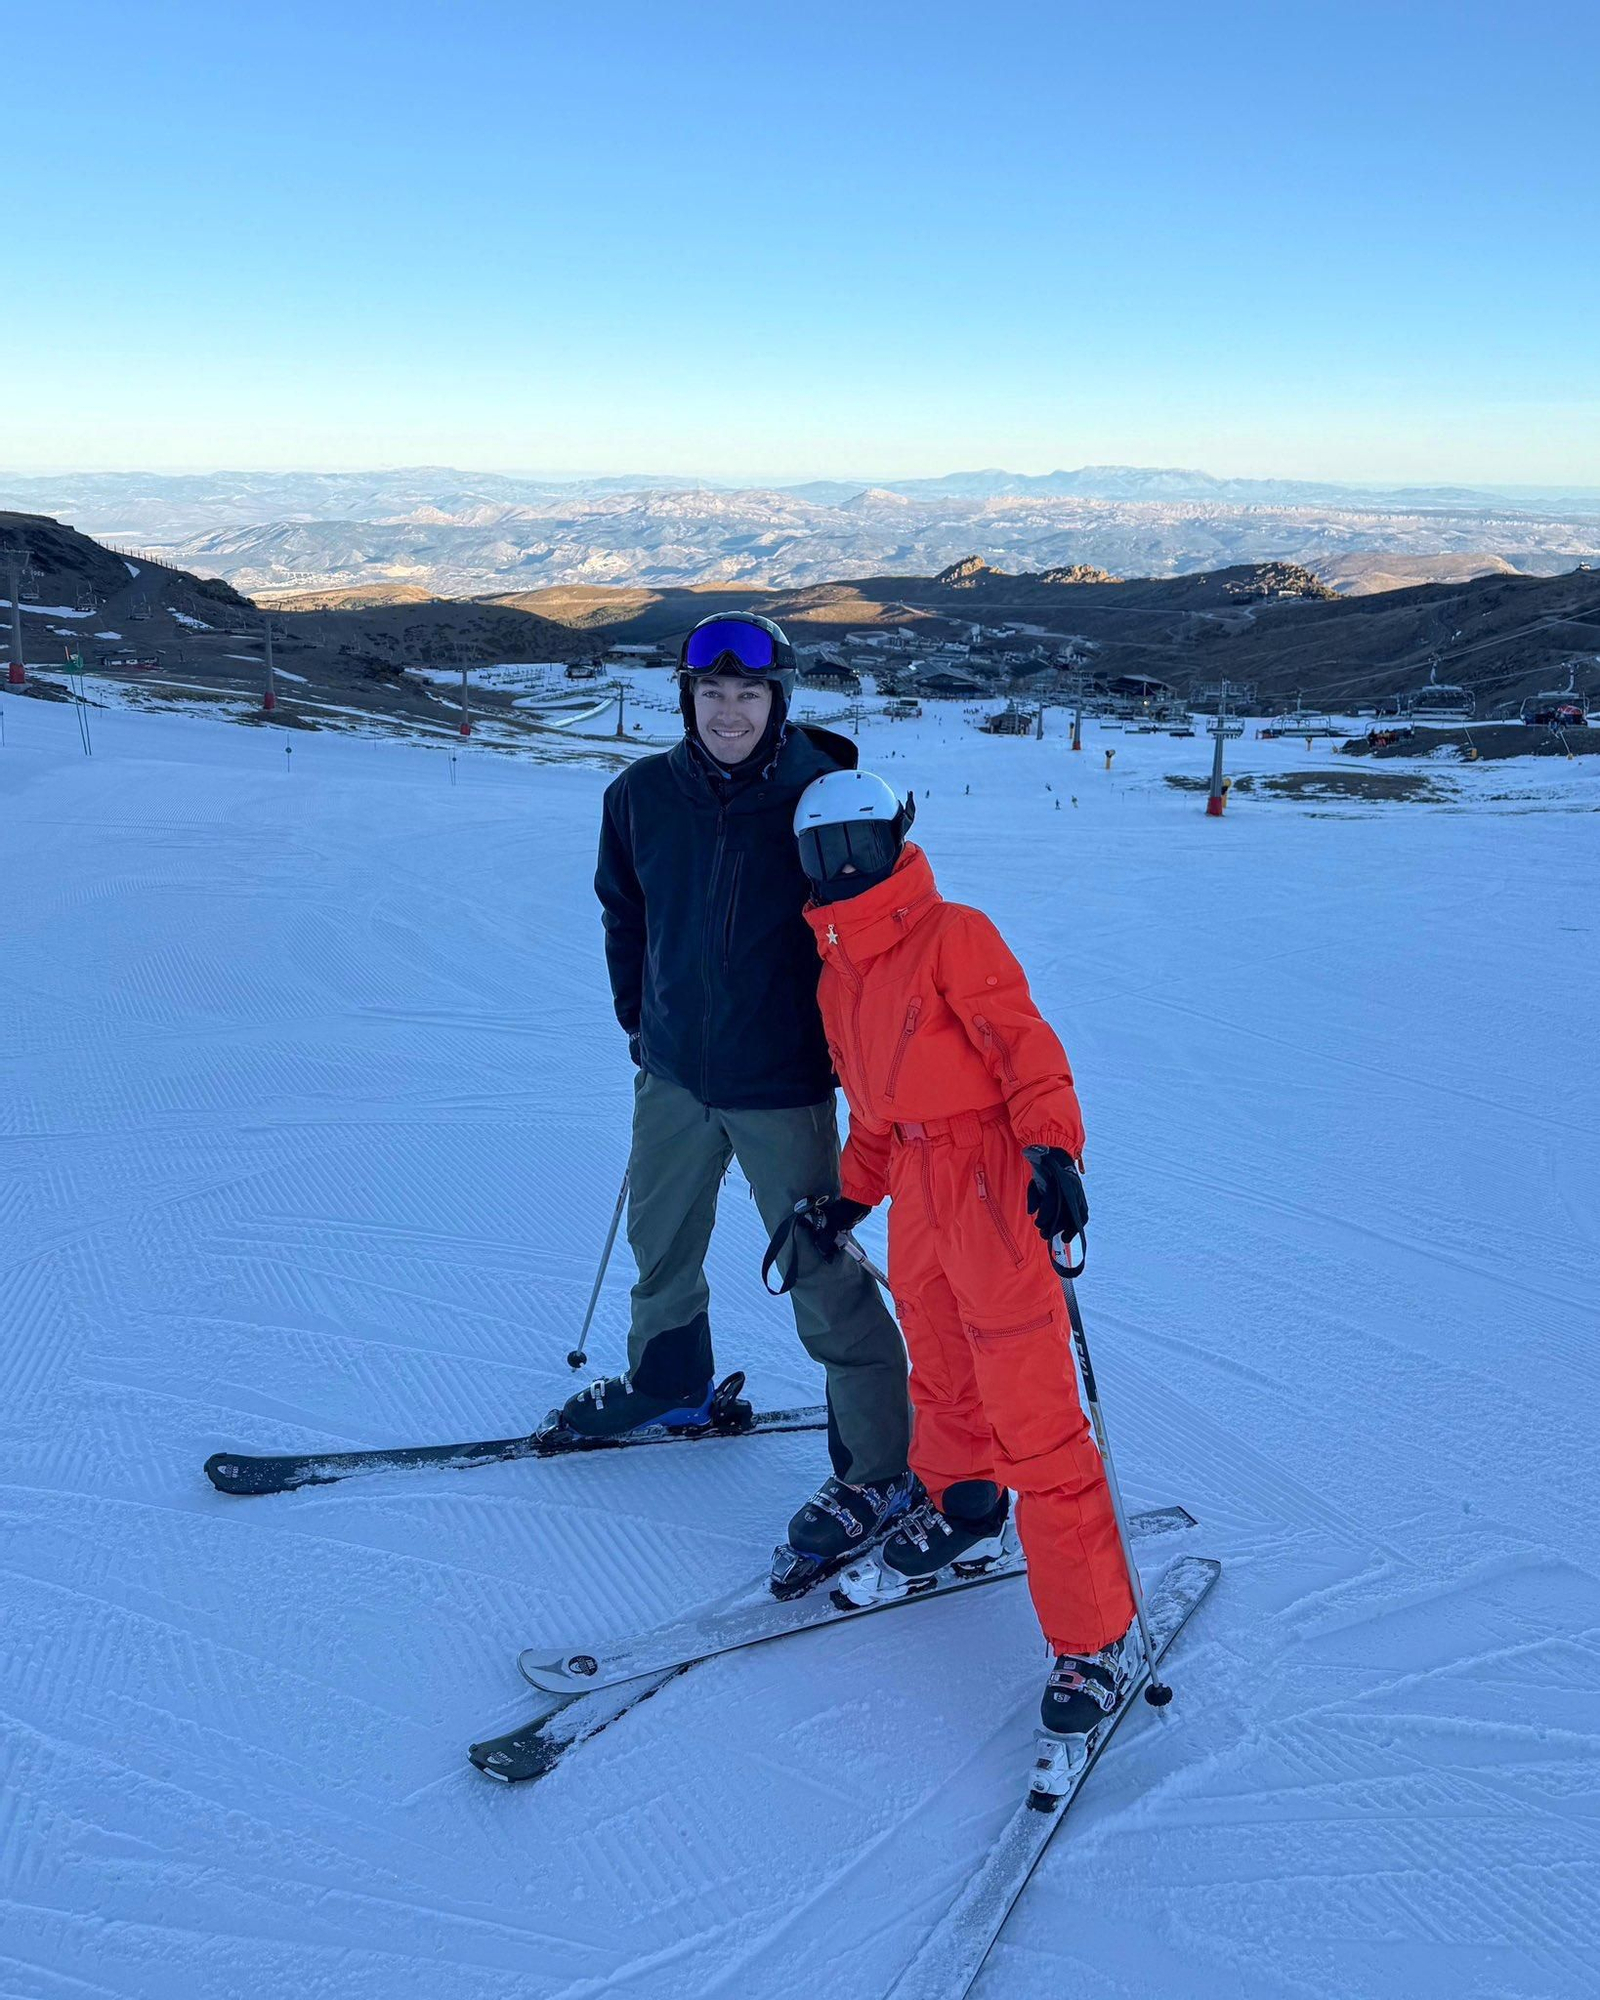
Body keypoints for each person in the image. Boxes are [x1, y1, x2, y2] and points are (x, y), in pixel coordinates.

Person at [550, 613, 915, 1589]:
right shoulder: (638, 796)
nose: (727, 710)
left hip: (780, 1083)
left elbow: (881, 939)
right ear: (686, 696)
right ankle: (672, 1378)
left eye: (747, 693)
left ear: (778, 699)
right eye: (710, 692)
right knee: (659, 1237)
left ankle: (882, 1465)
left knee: (817, 1266)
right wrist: (642, 1020)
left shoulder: (819, 800)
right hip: (672, 1071)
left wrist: (872, 1062)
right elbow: (623, 914)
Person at [780, 768, 1139, 1739]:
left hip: (989, 1181)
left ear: (893, 839)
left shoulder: (953, 934)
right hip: (919, 1194)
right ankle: (968, 1501)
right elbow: (877, 1115)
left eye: (859, 843)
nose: (844, 864)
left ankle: (1094, 1632)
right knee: (938, 1367)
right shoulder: (837, 971)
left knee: (1031, 1401)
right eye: (823, 851)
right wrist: (847, 1198)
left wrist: (1051, 1147)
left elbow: (1025, 1049)